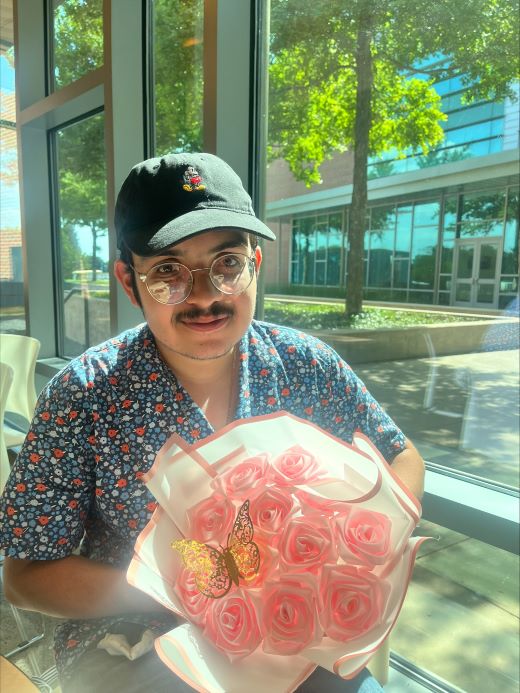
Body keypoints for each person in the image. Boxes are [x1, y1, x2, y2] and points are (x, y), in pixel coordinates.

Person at [0, 153, 425, 693]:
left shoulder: (304, 364)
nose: (203, 295)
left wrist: (354, 555)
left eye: (226, 263)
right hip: (137, 640)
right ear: (129, 283)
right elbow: (25, 576)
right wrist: (186, 587)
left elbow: (398, 455)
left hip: (297, 628)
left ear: (255, 263)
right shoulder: (84, 395)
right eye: (168, 274)